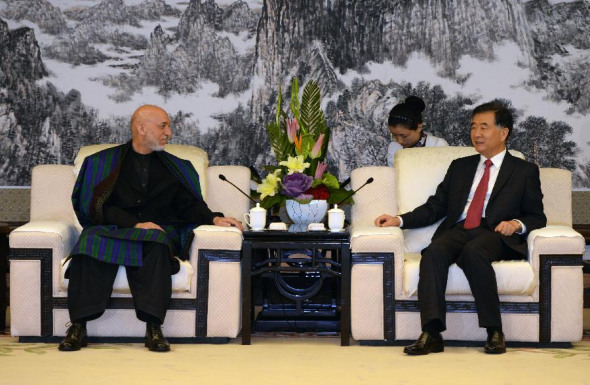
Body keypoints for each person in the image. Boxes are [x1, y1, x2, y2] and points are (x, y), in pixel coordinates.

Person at [58, 105, 244, 352]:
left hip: (155, 234)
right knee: (90, 243)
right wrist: (134, 224)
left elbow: (188, 205)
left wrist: (214, 219)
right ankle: (78, 327)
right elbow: (93, 206)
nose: (169, 133)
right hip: (112, 229)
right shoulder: (102, 163)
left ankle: (154, 328)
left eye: (168, 126)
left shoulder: (176, 167)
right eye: (163, 126)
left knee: (156, 244)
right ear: (141, 128)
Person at [375, 101, 546, 355]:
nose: (476, 133)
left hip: (495, 233)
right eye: (474, 127)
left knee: (474, 252)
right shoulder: (461, 166)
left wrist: (516, 224)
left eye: (484, 127)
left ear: (503, 132)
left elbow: (537, 216)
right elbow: (435, 206)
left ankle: (494, 330)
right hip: (460, 228)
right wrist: (399, 220)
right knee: (433, 253)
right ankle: (431, 333)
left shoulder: (524, 171)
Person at [386, 95, 448, 166]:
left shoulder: (437, 145)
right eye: (394, 135)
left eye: (404, 136)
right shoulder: (394, 147)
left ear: (419, 127)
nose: (399, 141)